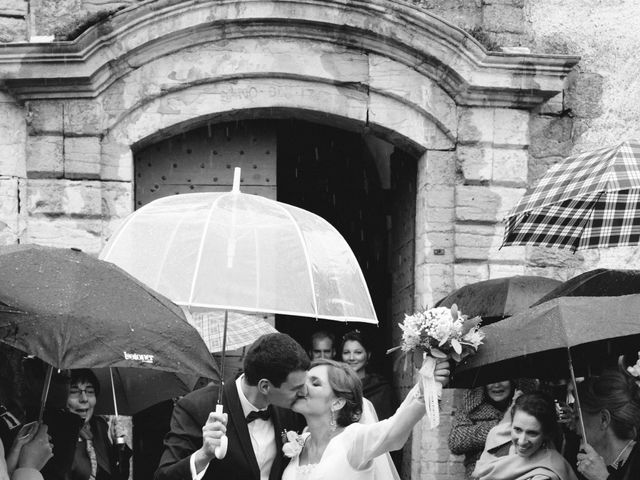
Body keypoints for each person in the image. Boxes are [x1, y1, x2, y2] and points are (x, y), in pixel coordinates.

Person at [154, 333, 310, 480]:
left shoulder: (289, 411)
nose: (304, 392)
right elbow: (164, 476)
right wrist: (204, 455)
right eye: (296, 388)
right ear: (264, 387)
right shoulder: (196, 407)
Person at [280, 357, 450, 479]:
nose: (303, 387)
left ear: (337, 402)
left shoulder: (353, 439)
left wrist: (426, 387)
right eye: (304, 381)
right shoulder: (300, 442)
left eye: (315, 383)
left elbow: (394, 429)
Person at [42, 369, 131, 480]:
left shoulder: (99, 427)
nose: (84, 399)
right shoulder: (51, 434)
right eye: (74, 391)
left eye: (89, 392)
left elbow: (117, 476)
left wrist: (119, 443)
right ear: (61, 395)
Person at [473, 392, 578, 480]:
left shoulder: (546, 474)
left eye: (532, 433)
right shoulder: (496, 437)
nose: (522, 441)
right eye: (517, 429)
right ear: (511, 425)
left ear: (547, 434)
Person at [575, 369, 640, 480]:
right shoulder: (590, 464)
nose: (575, 428)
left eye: (578, 418)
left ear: (604, 419)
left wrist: (602, 478)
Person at [448, 380, 516, 478]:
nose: (497, 385)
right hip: (479, 474)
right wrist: (501, 425)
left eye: (503, 379)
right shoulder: (470, 406)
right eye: (492, 379)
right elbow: (455, 441)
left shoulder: (525, 405)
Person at [340, 330, 396, 421]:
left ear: (368, 355)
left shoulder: (381, 388)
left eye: (358, 352)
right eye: (346, 352)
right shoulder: (337, 387)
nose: (351, 358)